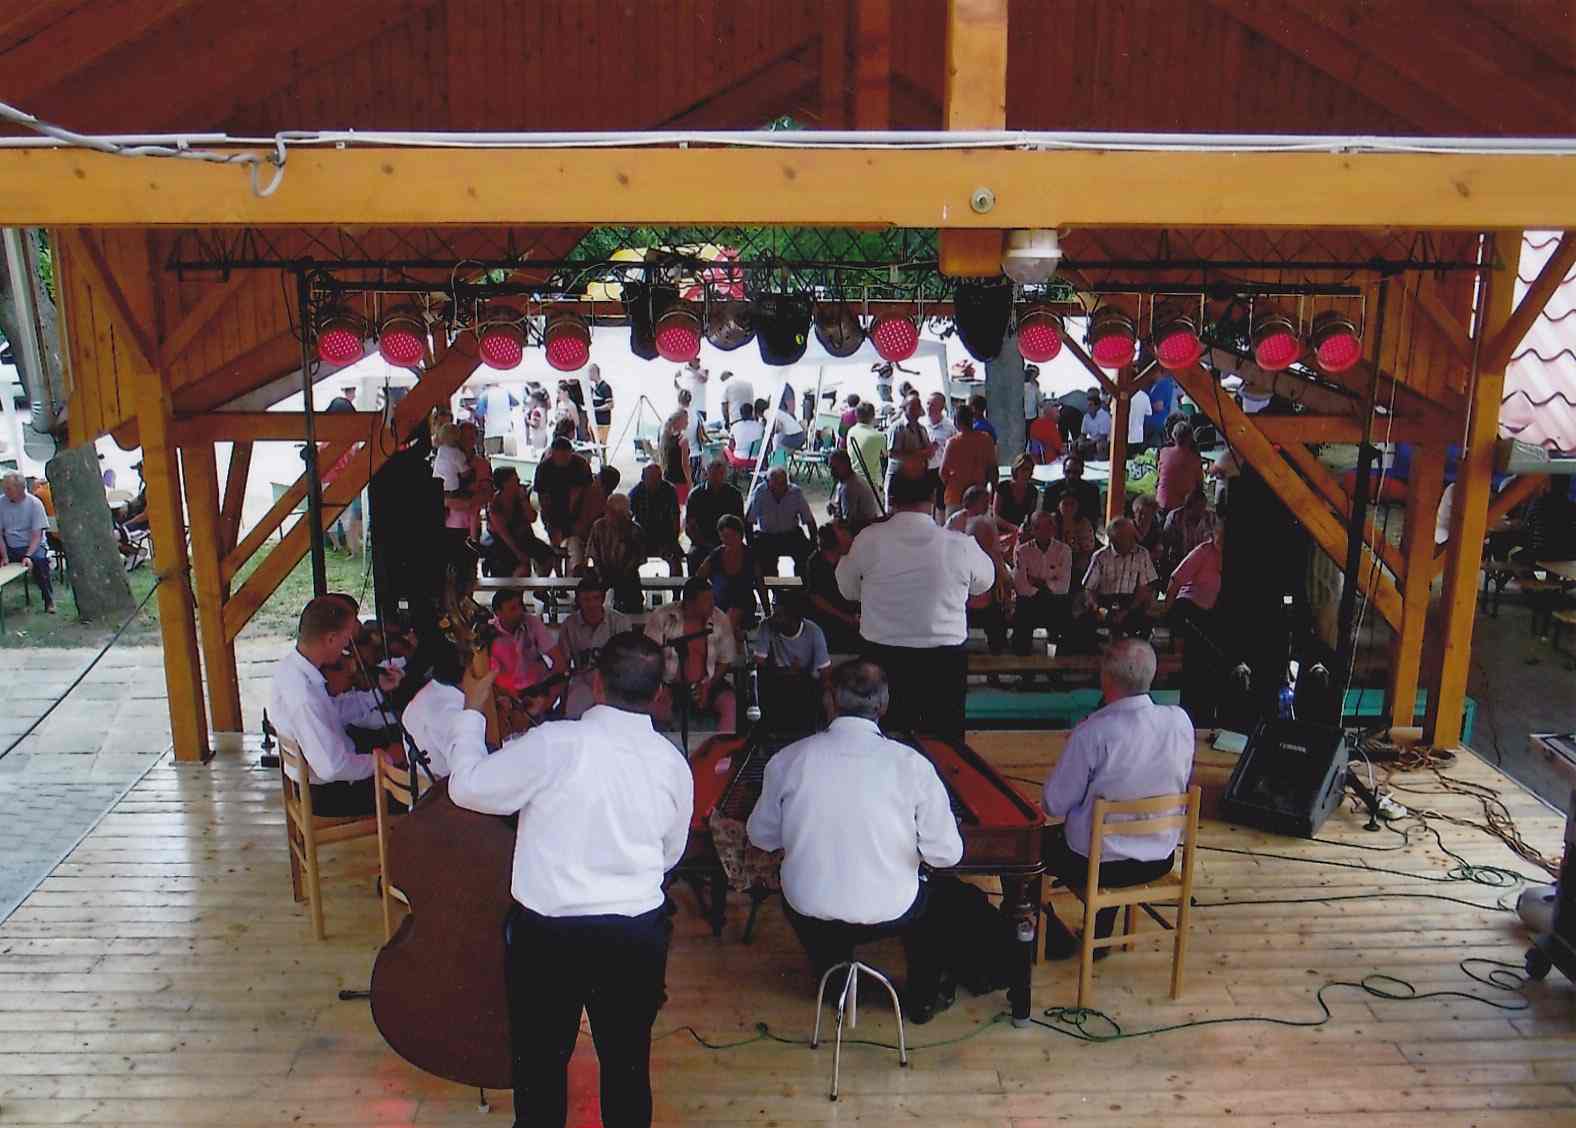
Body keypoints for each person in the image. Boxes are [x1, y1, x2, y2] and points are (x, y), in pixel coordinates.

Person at [445, 631, 689, 1128]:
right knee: (627, 1062)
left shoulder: (553, 744)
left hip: (548, 935)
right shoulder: (672, 764)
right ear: (658, 694)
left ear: (596, 684)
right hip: (634, 932)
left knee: (539, 1064)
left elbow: (467, 787)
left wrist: (472, 711)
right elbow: (670, 853)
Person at [746, 660, 963, 1022]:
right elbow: (947, 855)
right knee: (942, 897)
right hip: (893, 909)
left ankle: (837, 986)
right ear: (884, 705)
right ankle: (923, 997)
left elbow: (761, 836)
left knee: (809, 896)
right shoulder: (913, 766)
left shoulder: (788, 760)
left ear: (829, 701)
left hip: (810, 906)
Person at [1040, 639, 1193, 958]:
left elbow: (1054, 804)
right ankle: (1099, 937)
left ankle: (1048, 938)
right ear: (1152, 674)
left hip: (1098, 865)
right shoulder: (1180, 722)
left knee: (1025, 849)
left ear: (1105, 678)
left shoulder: (1093, 733)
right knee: (1109, 831)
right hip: (1159, 857)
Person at [837, 470, 994, 743]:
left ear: (891, 498)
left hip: (883, 656)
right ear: (933, 498)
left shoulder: (868, 540)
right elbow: (983, 583)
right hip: (943, 661)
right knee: (944, 744)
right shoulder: (959, 544)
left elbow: (847, 590)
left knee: (884, 742)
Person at [269, 596, 402, 816]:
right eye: (346, 637)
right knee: (418, 790)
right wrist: (386, 759)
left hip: (321, 781)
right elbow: (332, 768)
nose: (348, 645)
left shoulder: (291, 668)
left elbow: (335, 711)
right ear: (330, 639)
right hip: (331, 794)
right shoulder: (305, 696)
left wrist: (377, 693)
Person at [644, 576, 738, 731]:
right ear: (689, 603)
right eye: (706, 601)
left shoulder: (720, 619)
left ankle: (723, 747)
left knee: (729, 702)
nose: (712, 605)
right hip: (668, 683)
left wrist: (709, 685)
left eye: (712, 599)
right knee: (657, 706)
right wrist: (661, 687)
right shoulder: (662, 616)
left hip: (708, 682)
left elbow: (725, 660)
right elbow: (649, 656)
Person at [1068, 516, 1159, 652]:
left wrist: (1127, 610)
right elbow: (1089, 588)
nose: (1132, 541)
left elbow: (1144, 589)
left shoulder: (1142, 554)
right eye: (1125, 538)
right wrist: (1100, 610)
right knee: (1082, 622)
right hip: (1104, 602)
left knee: (1146, 621)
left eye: (1132, 536)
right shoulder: (1100, 556)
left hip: (1131, 602)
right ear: (1113, 540)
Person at [1167, 521, 1227, 724]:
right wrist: (1167, 611)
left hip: (1216, 614)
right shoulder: (1202, 552)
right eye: (1221, 536)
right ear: (1214, 534)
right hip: (1191, 607)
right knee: (1197, 659)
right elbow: (1176, 579)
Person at [551, 576, 634, 721]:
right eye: (586, 599)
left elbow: (627, 661)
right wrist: (562, 697)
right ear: (578, 601)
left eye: (596, 598)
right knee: (574, 717)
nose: (591, 604)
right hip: (582, 680)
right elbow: (563, 664)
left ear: (603, 599)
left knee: (617, 719)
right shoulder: (569, 624)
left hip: (613, 682)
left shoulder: (620, 621)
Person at [400, 641, 466, 778]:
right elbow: (470, 766)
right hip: (448, 786)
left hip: (426, 783)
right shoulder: (449, 712)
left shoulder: (429, 693)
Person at [698, 513, 771, 636]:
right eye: (725, 536)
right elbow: (698, 579)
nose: (728, 540)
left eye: (732, 536)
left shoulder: (750, 555)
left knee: (733, 615)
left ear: (740, 535)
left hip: (743, 604)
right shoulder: (716, 555)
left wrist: (767, 612)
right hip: (719, 605)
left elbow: (760, 585)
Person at [1012, 510, 1073, 655]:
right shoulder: (1022, 551)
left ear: (1053, 529)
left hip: (1055, 601)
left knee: (1066, 633)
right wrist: (1049, 583)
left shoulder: (1064, 551)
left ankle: (1059, 662)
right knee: (1021, 639)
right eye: (1038, 527)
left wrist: (1038, 582)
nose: (1044, 531)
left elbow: (1063, 587)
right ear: (1032, 529)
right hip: (1029, 602)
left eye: (1048, 526)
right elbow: (1021, 586)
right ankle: (1023, 661)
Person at [534, 437, 595, 572]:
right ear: (553, 453)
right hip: (553, 510)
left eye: (566, 456)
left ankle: (574, 574)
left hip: (578, 512)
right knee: (556, 548)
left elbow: (588, 493)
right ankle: (558, 575)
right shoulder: (544, 468)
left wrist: (584, 519)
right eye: (560, 457)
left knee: (577, 548)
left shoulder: (580, 464)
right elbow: (543, 499)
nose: (563, 460)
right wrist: (550, 523)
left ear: (571, 453)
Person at [486, 467, 558, 579]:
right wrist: (519, 554)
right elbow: (504, 534)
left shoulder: (520, 496)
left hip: (524, 537)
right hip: (503, 543)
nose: (519, 482)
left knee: (548, 556)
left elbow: (532, 518)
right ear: (505, 484)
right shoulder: (495, 504)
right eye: (515, 480)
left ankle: (540, 584)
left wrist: (523, 500)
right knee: (522, 569)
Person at [744, 467, 816, 577]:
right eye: (776, 484)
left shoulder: (795, 493)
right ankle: (773, 585)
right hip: (767, 536)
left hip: (791, 534)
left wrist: (813, 544)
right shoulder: (760, 492)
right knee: (767, 567)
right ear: (768, 482)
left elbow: (809, 520)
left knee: (806, 559)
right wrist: (750, 545)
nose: (780, 487)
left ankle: (802, 584)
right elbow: (749, 521)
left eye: (783, 484)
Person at [489, 588, 558, 702]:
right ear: (498, 613)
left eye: (520, 606)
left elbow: (557, 658)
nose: (519, 612)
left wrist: (549, 698)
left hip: (537, 689)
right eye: (512, 609)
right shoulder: (489, 634)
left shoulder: (532, 622)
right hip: (506, 695)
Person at [0, 471, 55, 613]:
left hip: (34, 545)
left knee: (40, 562)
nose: (5, 491)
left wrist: (28, 556)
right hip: (11, 546)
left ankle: (49, 600)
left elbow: (37, 535)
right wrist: (4, 556)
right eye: (4, 488)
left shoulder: (34, 504)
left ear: (20, 488)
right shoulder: (1, 502)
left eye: (8, 488)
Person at [432, 423, 479, 588]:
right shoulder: (457, 455)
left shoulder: (441, 451)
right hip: (451, 506)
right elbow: (465, 473)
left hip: (454, 511)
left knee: (465, 569)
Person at [803, 524, 861, 654]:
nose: (851, 540)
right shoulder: (816, 562)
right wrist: (846, 617)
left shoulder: (851, 558)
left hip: (853, 613)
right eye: (845, 537)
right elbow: (816, 598)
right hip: (831, 616)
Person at [584, 494, 647, 613]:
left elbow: (638, 559)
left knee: (631, 597)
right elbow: (592, 555)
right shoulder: (599, 527)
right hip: (603, 572)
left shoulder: (635, 530)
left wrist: (621, 574)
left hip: (627, 575)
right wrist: (598, 571)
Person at [684, 458, 744, 573]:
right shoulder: (696, 495)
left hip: (728, 541)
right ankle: (695, 584)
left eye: (720, 474)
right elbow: (690, 526)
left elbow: (740, 524)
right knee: (693, 555)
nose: (716, 477)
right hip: (702, 542)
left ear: (724, 475)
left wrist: (729, 543)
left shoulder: (734, 495)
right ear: (706, 474)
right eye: (713, 474)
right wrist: (702, 543)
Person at [965, 515, 1014, 655]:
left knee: (998, 633)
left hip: (990, 608)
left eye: (987, 537)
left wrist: (1008, 602)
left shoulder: (995, 558)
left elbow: (1007, 581)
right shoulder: (962, 555)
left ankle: (996, 657)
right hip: (965, 608)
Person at [628, 462, 684, 577]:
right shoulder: (636, 492)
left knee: (675, 559)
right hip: (642, 537)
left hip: (665, 537)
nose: (654, 481)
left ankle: (676, 587)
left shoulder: (669, 490)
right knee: (627, 558)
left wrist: (674, 539)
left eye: (657, 477)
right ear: (643, 478)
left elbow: (675, 517)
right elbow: (627, 517)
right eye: (650, 478)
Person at [940, 403, 998, 510]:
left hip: (956, 496)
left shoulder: (953, 442)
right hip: (978, 496)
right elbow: (993, 469)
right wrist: (993, 492)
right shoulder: (986, 439)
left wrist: (953, 483)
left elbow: (943, 472)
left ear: (956, 422)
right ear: (973, 420)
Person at [1161, 488, 1218, 576]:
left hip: (1203, 563)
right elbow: (1165, 542)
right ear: (1187, 507)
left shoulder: (1211, 517)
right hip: (1179, 562)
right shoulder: (1175, 516)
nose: (1201, 512)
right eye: (1197, 508)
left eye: (1203, 507)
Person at [827, 450, 880, 537]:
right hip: (862, 527)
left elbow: (847, 522)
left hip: (863, 531)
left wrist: (834, 514)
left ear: (845, 466)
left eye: (834, 468)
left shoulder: (850, 487)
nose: (831, 472)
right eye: (830, 468)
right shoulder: (846, 481)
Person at [1049, 492, 1099, 587]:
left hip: (1076, 562)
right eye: (1065, 504)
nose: (1069, 508)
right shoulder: (1051, 521)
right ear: (1058, 506)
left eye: (1072, 504)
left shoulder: (1084, 523)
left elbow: (1088, 549)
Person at [886, 394, 933, 491]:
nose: (916, 411)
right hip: (900, 481)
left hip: (919, 478)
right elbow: (892, 454)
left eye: (918, 407)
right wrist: (917, 454)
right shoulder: (897, 428)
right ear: (905, 409)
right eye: (912, 408)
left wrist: (930, 451)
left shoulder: (922, 429)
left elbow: (928, 451)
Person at [1041, 454, 1101, 527]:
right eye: (1068, 472)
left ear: (1082, 472)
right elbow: (1045, 517)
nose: (1071, 476)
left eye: (1075, 472)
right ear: (1063, 471)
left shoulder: (1091, 491)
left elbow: (1094, 519)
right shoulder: (1051, 490)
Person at [1155, 423, 1204, 513]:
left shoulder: (1163, 452)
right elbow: (1200, 484)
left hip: (1161, 503)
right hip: (1181, 508)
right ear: (1190, 438)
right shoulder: (1194, 458)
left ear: (1173, 435)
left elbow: (1159, 474)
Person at [845, 401, 889, 499]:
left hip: (852, 478)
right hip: (871, 483)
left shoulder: (851, 431)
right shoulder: (879, 436)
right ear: (873, 416)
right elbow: (886, 454)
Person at [924, 391, 959, 512]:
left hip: (941, 470)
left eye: (933, 404)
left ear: (941, 407)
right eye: (928, 403)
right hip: (923, 469)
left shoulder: (950, 427)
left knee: (941, 506)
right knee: (925, 505)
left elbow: (955, 451)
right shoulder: (921, 424)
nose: (929, 407)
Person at [995, 454, 1041, 530]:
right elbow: (995, 516)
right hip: (1001, 529)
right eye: (1023, 469)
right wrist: (1013, 527)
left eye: (1029, 470)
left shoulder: (1032, 491)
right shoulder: (1003, 487)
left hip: (1021, 530)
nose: (1026, 473)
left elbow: (1031, 517)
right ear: (1016, 469)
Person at [658, 409, 692, 506]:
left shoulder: (665, 437)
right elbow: (685, 465)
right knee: (682, 508)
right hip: (680, 480)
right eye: (686, 420)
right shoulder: (683, 440)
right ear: (679, 421)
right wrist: (690, 483)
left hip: (667, 478)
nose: (687, 422)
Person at [1130, 493, 1164, 569]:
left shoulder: (1156, 529)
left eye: (1146, 514)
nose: (1142, 517)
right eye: (1139, 512)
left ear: (1153, 514)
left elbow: (1158, 552)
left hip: (1149, 568)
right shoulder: (1127, 528)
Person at [1027, 399, 1064, 465]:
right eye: (1057, 412)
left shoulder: (1034, 424)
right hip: (1050, 461)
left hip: (1035, 461)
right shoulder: (1050, 425)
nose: (1059, 415)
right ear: (1051, 413)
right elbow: (1060, 449)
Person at [674, 358, 709, 427]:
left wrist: (691, 369)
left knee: (700, 429)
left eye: (699, 359)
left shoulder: (704, 370)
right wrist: (675, 379)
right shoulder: (683, 370)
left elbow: (703, 379)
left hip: (699, 408)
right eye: (696, 359)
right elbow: (678, 387)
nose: (699, 360)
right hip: (685, 409)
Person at [588, 365, 614, 446]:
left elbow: (610, 405)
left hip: (602, 423)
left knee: (601, 447)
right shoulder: (595, 387)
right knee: (594, 446)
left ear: (594, 372)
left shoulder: (605, 387)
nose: (588, 375)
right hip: (595, 421)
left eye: (589, 372)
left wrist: (595, 409)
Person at [1081, 390, 1112, 454]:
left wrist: (1087, 443)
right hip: (1092, 441)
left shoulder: (1104, 416)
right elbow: (1083, 434)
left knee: (1100, 445)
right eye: (1088, 405)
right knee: (1076, 444)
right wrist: (1080, 441)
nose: (1088, 407)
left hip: (1105, 442)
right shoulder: (1086, 416)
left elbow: (1103, 437)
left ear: (1097, 406)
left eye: (1090, 405)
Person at [1125, 383, 1153, 456]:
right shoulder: (1145, 396)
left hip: (1123, 435)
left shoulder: (1123, 395)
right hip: (1138, 436)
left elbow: (1112, 412)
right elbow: (1149, 413)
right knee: (1135, 459)